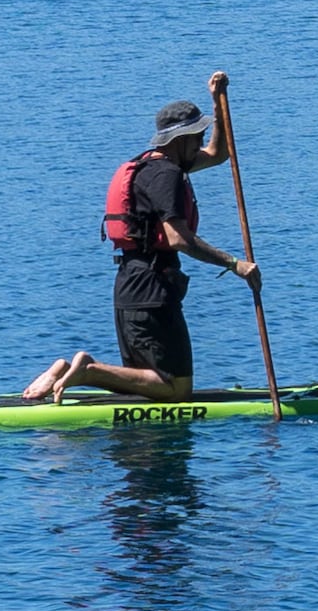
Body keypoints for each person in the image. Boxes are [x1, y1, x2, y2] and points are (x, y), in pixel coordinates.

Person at [24, 82, 255, 402]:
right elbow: (177, 238)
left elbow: (218, 154)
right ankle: (88, 370)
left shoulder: (150, 165)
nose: (202, 142)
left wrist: (218, 105)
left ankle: (64, 371)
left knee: (149, 388)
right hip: (153, 292)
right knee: (176, 389)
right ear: (180, 139)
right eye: (197, 136)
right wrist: (235, 264)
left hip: (130, 289)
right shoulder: (166, 175)